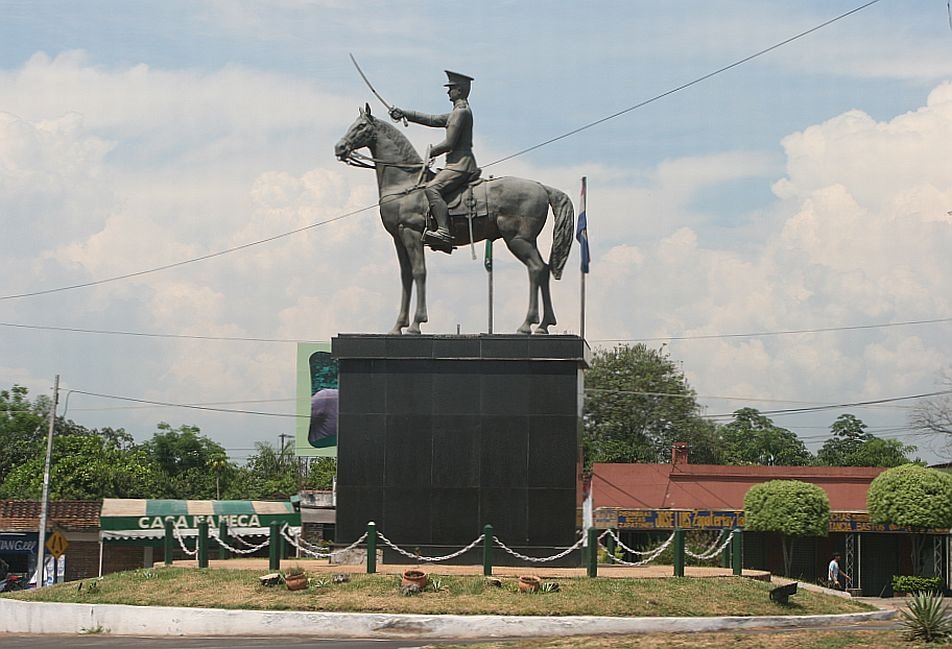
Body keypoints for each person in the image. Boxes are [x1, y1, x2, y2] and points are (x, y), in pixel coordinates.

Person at [389, 70, 479, 253]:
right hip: (456, 164)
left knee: (432, 188)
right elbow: (432, 120)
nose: (448, 92)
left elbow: (450, 143)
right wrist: (405, 113)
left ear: (460, 90)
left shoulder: (461, 112)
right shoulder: (457, 112)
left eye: (451, 89)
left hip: (460, 165)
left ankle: (444, 231)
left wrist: (432, 151)